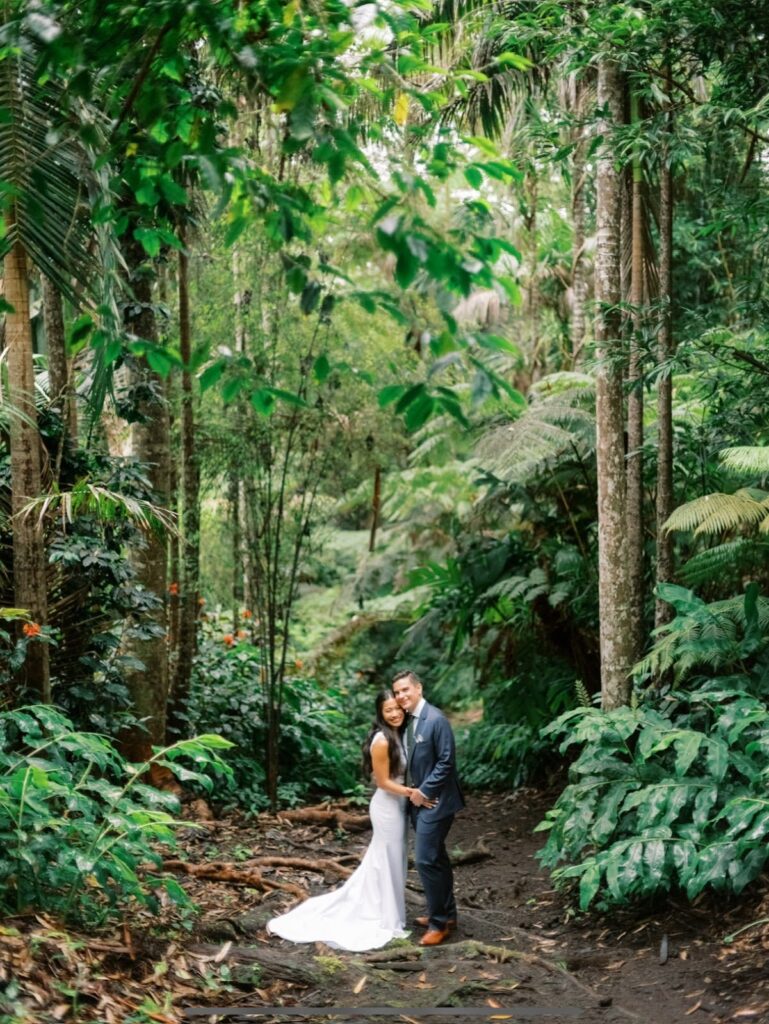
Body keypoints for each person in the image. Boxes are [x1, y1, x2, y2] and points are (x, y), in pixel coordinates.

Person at [266, 692, 419, 951]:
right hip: (388, 807)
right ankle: (385, 917)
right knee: (387, 857)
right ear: (380, 714)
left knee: (392, 858)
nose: (394, 713)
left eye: (397, 708)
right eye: (387, 710)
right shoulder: (382, 740)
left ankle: (390, 912)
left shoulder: (399, 735)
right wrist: (411, 792)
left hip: (399, 805)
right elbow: (382, 782)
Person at [392, 668, 464, 947]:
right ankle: (448, 914)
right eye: (397, 692)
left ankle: (438, 924)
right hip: (416, 803)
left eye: (405, 690)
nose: (401, 696)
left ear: (418, 688)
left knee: (424, 859)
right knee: (437, 858)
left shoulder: (435, 719)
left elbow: (447, 761)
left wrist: (424, 792)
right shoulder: (407, 721)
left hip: (436, 801)